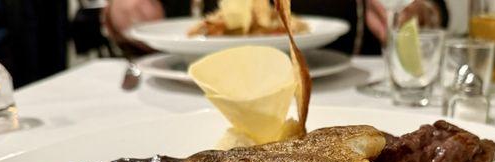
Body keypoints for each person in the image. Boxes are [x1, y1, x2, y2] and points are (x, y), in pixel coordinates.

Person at [104, 0, 447, 55]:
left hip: (338, 83)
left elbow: (432, 9)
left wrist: (419, 11)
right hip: (188, 87)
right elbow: (123, 19)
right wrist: (119, 16)